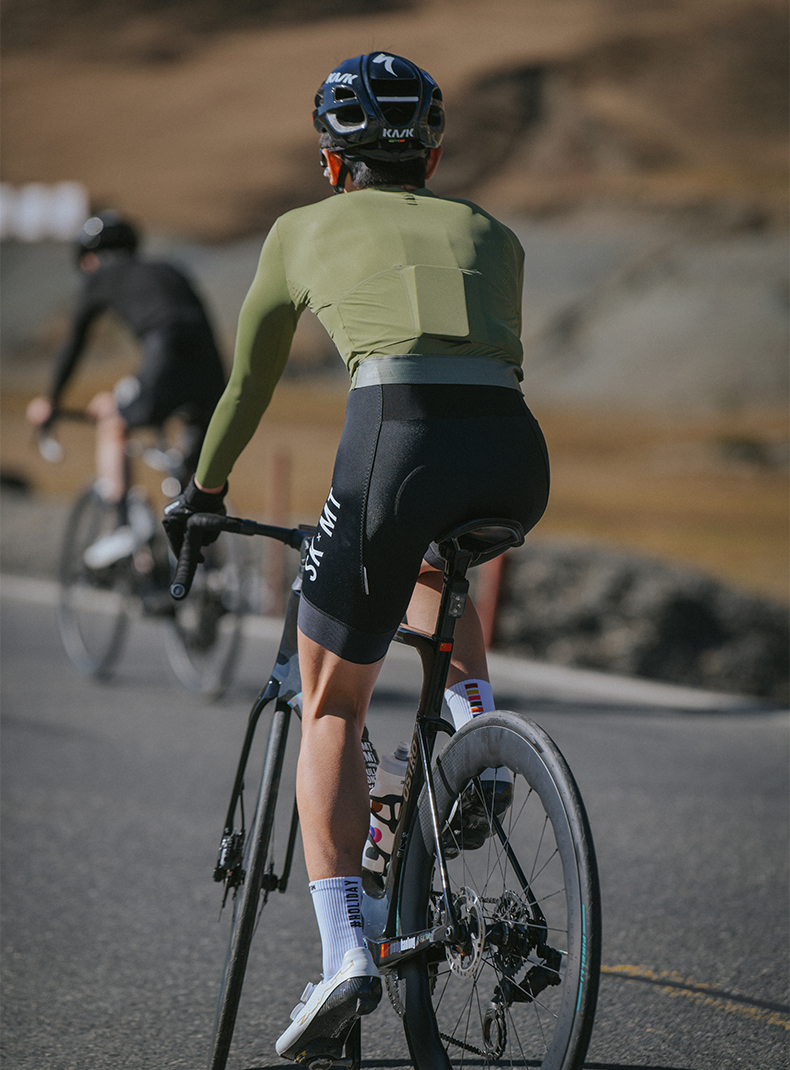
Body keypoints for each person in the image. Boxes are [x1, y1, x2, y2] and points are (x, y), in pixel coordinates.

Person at [164, 52, 550, 1062]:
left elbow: (247, 385)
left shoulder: (300, 229)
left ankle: (343, 949)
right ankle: (475, 729)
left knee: (331, 702)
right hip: (515, 456)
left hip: (394, 444)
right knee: (435, 559)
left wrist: (204, 492)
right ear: (432, 157)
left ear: (334, 164)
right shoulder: (493, 232)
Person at [26, 210, 226, 568]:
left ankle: (121, 526)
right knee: (191, 473)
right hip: (212, 367)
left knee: (114, 419)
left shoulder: (101, 275)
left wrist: (51, 400)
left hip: (166, 356)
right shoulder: (168, 269)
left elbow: (73, 345)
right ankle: (209, 568)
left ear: (90, 259)